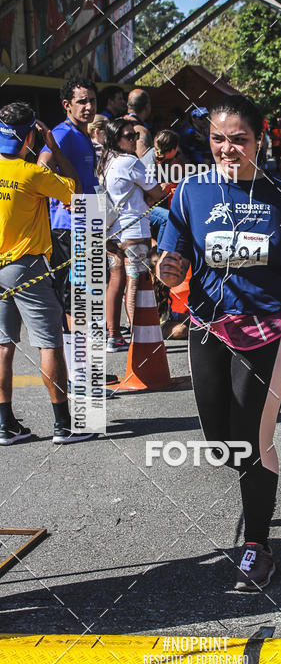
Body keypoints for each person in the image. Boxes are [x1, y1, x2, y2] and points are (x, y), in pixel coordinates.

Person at [156, 95, 281, 592]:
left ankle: (257, 544)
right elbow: (171, 249)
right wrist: (166, 266)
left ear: (260, 139)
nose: (227, 148)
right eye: (218, 139)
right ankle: (256, 493)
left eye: (239, 139)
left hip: (269, 330)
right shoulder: (190, 192)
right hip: (207, 325)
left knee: (254, 439)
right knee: (222, 443)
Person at [0, 102, 95, 444]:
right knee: (49, 343)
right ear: (30, 134)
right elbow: (77, 191)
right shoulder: (33, 174)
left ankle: (5, 425)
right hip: (26, 266)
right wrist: (53, 148)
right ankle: (63, 425)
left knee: (2, 345)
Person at [102, 119, 169, 350]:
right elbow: (157, 192)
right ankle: (137, 337)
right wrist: (166, 188)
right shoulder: (130, 162)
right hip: (133, 229)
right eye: (129, 136)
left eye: (135, 136)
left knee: (115, 281)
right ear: (116, 139)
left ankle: (113, 335)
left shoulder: (106, 161)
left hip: (112, 231)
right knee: (135, 282)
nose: (134, 140)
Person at [40, 77, 98, 338]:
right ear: (67, 104)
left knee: (87, 291)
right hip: (68, 227)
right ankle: (77, 367)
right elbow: (42, 167)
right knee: (74, 293)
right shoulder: (61, 134)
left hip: (89, 221)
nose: (88, 106)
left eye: (92, 100)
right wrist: (64, 198)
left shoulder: (81, 133)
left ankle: (84, 364)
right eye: (82, 101)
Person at [124, 88, 153, 160]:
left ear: (128, 105)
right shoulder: (140, 131)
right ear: (147, 106)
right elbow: (145, 160)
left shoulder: (118, 123)